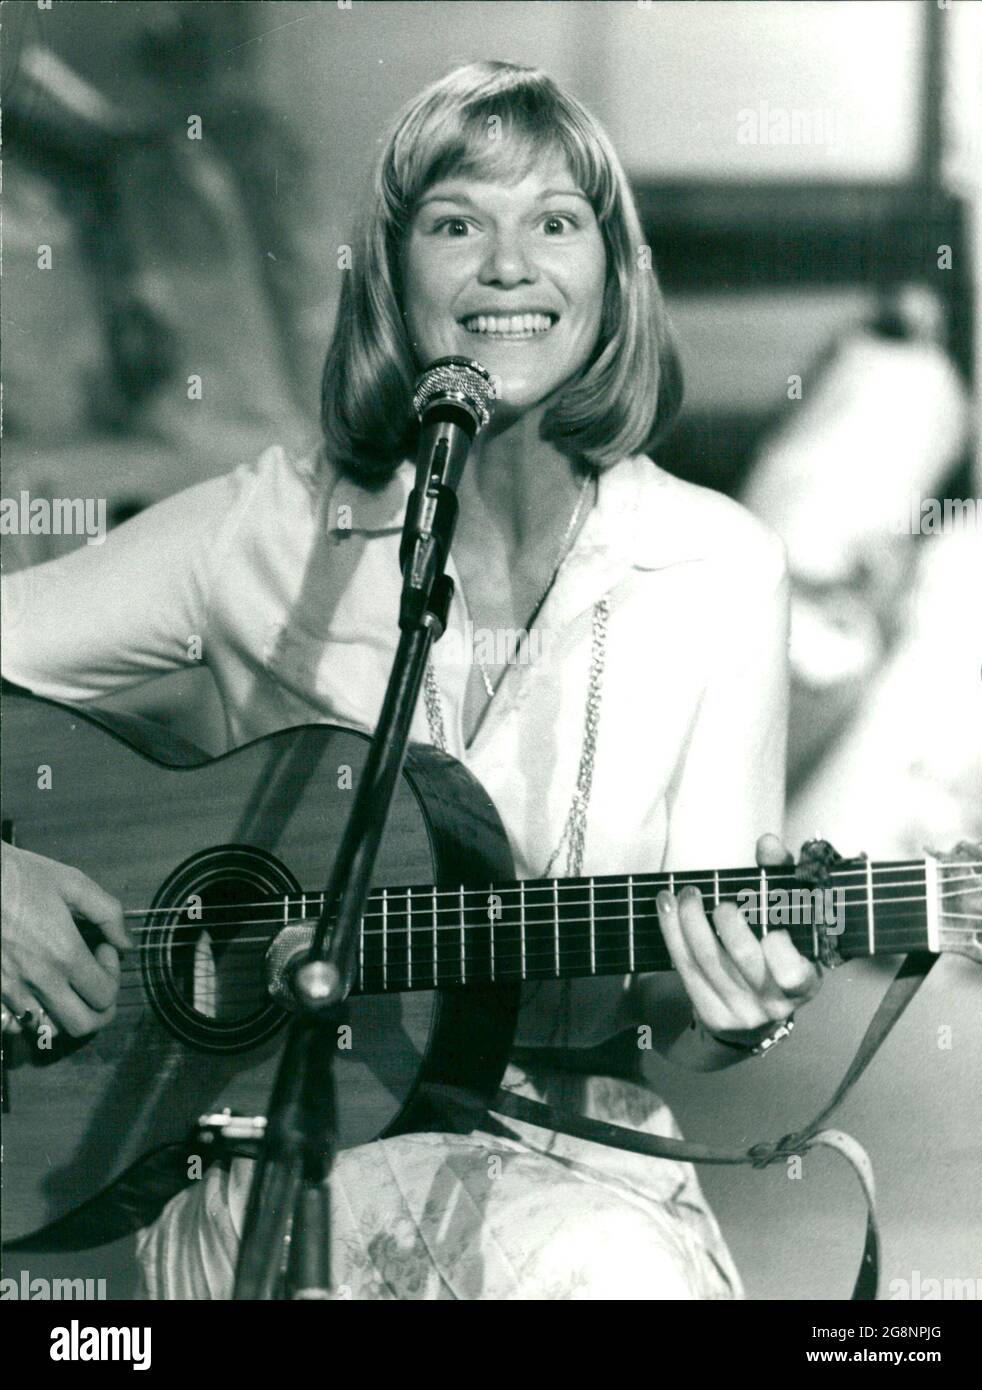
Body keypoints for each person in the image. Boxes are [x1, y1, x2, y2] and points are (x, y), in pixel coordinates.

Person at [0, 61, 820, 1299]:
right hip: (273, 1159)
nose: (507, 265)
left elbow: (685, 997)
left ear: (613, 272)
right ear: (390, 276)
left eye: (554, 221)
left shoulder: (718, 568)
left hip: (585, 1176)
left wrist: (737, 1007)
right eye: (455, 223)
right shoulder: (262, 532)